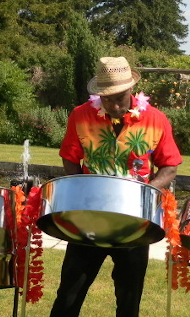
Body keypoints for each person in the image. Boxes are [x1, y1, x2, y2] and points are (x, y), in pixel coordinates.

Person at [50, 56, 182, 317]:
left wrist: (144, 194)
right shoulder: (80, 115)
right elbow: (69, 156)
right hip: (88, 219)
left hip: (133, 223)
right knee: (69, 294)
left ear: (131, 89)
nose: (112, 104)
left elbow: (170, 166)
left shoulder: (156, 120)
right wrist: (79, 193)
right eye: (105, 97)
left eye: (118, 97)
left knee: (128, 299)